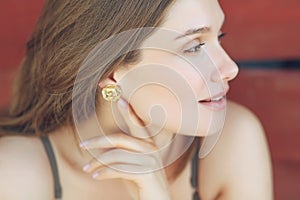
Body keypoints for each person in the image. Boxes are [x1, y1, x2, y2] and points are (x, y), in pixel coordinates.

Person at [0, 0, 273, 199]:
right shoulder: (17, 174)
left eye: (219, 37)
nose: (230, 68)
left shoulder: (234, 141)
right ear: (111, 72)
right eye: (194, 47)